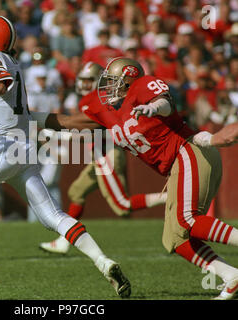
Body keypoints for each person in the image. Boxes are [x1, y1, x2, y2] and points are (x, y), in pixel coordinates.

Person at [0, 16, 131, 298]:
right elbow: (10, 102)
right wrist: (104, 122)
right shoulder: (12, 63)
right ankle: (103, 261)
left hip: (2, 146)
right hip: (22, 147)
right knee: (53, 217)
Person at [37, 57, 238, 300]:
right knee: (175, 239)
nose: (107, 87)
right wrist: (27, 118)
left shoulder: (143, 86)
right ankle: (231, 277)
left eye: (113, 82)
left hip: (189, 150)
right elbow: (67, 122)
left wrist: (153, 108)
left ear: (128, 79)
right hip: (176, 165)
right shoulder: (106, 110)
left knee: (187, 220)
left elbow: (164, 101)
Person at [40, 62, 167, 254]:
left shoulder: (96, 100)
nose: (83, 84)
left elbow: (93, 133)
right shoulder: (91, 99)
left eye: (88, 80)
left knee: (121, 205)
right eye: (81, 80)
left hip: (107, 153)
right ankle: (64, 241)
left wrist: (59, 136)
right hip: (100, 154)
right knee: (76, 192)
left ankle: (168, 197)